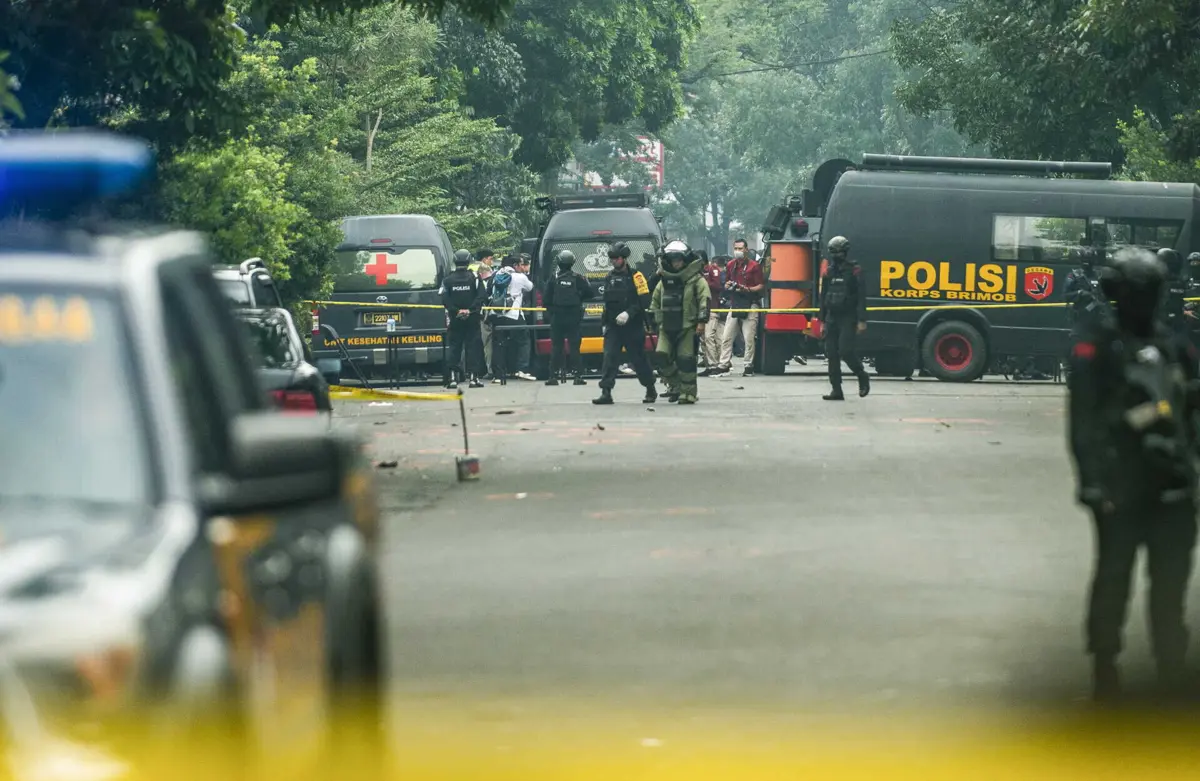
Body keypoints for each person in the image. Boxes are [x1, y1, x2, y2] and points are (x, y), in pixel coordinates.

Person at [1069, 248, 1200, 702]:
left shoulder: (1175, 346)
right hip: (1120, 486)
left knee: (1170, 589)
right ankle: (1104, 664)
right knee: (1113, 579)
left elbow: (1192, 412)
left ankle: (1170, 669)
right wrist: (1090, 480)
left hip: (1173, 485)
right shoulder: (1098, 346)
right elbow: (1083, 421)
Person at [593, 242, 657, 405]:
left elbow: (644, 300)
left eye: (617, 258)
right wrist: (604, 323)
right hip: (613, 326)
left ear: (624, 258)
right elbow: (607, 304)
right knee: (609, 357)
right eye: (612, 258)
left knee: (638, 359)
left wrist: (629, 312)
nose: (614, 261)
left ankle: (650, 388)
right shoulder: (609, 277)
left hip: (633, 326)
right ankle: (606, 392)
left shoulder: (637, 276)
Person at [651, 240, 710, 405]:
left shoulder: (696, 280)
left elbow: (705, 300)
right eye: (672, 260)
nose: (676, 263)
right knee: (661, 355)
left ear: (685, 260)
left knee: (686, 359)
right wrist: (654, 320)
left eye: (678, 260)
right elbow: (655, 301)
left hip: (687, 326)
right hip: (665, 326)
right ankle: (676, 384)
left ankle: (688, 393)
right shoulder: (663, 281)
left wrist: (701, 322)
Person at [819, 235, 869, 400]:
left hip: (848, 317)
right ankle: (836, 390)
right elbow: (823, 296)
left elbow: (861, 297)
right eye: (834, 252)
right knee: (831, 354)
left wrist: (862, 320)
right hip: (832, 317)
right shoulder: (829, 271)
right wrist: (821, 320)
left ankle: (862, 375)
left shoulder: (854, 270)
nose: (836, 255)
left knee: (846, 351)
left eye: (839, 252)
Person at [714, 241, 765, 377]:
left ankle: (748, 365)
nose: (738, 251)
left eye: (740, 248)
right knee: (727, 336)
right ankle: (723, 364)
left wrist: (746, 288)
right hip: (735, 303)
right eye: (736, 248)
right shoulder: (731, 265)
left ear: (746, 249)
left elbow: (761, 285)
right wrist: (728, 285)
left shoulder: (754, 266)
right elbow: (727, 283)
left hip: (750, 303)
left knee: (749, 337)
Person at [543, 249, 593, 386]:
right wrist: (578, 298)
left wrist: (553, 311)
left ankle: (553, 376)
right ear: (572, 263)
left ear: (559, 262)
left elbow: (546, 299)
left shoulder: (553, 278)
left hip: (557, 317)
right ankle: (578, 376)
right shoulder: (578, 278)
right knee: (575, 347)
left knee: (556, 347)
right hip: (574, 316)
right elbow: (590, 293)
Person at [441, 249, 487, 388]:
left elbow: (444, 299)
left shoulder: (448, 279)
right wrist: (470, 310)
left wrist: (456, 311)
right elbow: (482, 296)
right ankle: (473, 378)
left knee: (454, 347)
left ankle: (452, 378)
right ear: (469, 261)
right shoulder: (475, 277)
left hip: (455, 319)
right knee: (473, 347)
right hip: (472, 319)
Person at [490, 254, 535, 383]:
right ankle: (522, 369)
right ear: (515, 265)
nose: (522, 267)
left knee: (499, 344)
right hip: (513, 314)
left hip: (497, 314)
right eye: (521, 264)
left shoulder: (496, 274)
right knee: (524, 340)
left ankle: (498, 375)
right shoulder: (519, 277)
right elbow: (530, 287)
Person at [470, 248, 497, 377]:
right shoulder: (484, 269)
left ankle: (474, 370)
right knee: (488, 342)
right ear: (485, 259)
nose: (492, 261)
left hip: (471, 312)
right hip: (484, 313)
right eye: (491, 259)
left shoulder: (470, 269)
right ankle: (490, 369)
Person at [699, 253, 726, 376]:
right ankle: (708, 364)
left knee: (709, 337)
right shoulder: (696, 272)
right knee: (704, 339)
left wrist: (703, 282)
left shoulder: (712, 269)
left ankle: (714, 364)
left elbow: (717, 285)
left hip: (712, 308)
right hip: (700, 309)